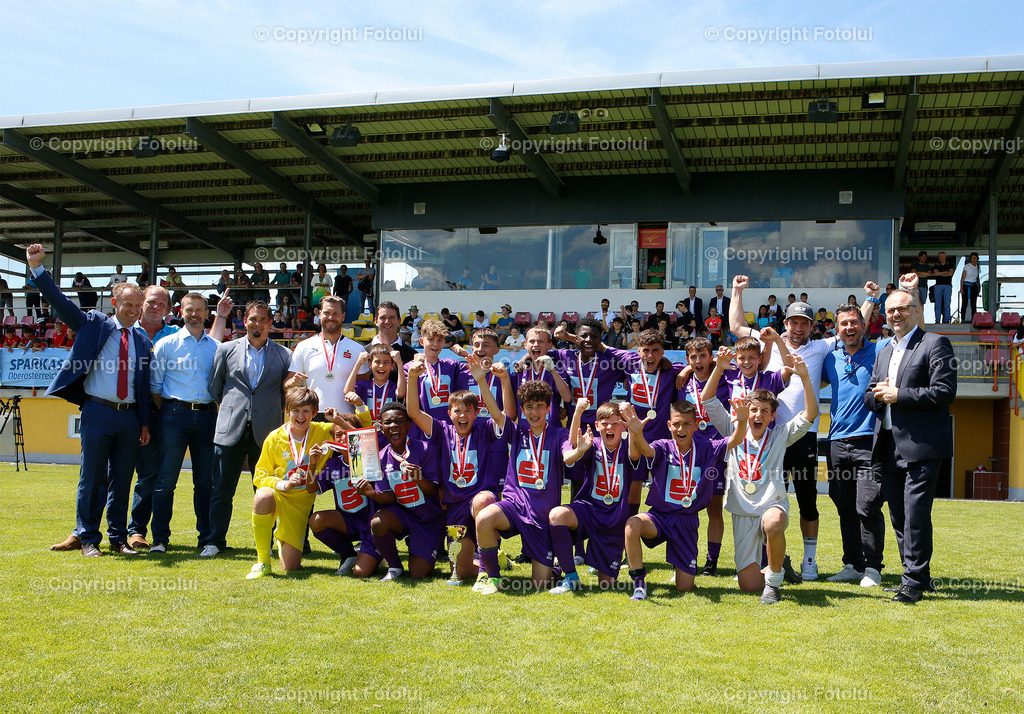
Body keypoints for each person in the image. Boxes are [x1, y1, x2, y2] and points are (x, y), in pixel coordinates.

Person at [730, 276, 873, 581]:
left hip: (803, 435)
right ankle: (760, 561)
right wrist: (737, 291)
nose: (798, 328)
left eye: (804, 323)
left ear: (812, 326)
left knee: (808, 500)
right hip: (766, 437)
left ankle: (810, 561)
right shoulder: (768, 337)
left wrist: (870, 300)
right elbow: (736, 327)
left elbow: (854, 327)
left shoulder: (822, 346)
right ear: (787, 322)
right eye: (794, 322)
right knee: (763, 499)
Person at [27, 243, 151, 557]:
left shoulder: (142, 339)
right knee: (91, 478)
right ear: (115, 302)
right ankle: (88, 539)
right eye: (128, 304)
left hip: (130, 416)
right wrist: (38, 268)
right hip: (97, 410)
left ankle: (118, 539)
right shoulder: (95, 323)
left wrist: (145, 423)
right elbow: (60, 303)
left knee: (122, 480)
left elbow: (144, 384)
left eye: (138, 304)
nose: (134, 309)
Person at [702, 349, 818, 604]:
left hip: (770, 505)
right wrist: (719, 368)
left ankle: (774, 583)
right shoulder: (732, 429)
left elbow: (810, 414)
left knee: (774, 522)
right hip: (742, 511)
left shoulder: (780, 435)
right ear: (745, 410)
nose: (758, 415)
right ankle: (779, 563)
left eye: (765, 411)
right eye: (754, 409)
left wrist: (805, 378)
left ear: (773, 416)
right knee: (749, 585)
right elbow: (707, 399)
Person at [865, 287, 956, 603]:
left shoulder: (935, 344)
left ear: (916, 310)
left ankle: (913, 584)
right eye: (890, 311)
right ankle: (917, 576)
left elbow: (944, 391)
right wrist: (878, 395)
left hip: (922, 445)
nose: (896, 315)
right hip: (887, 445)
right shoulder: (884, 351)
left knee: (916, 513)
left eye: (902, 309)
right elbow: (869, 395)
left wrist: (898, 395)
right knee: (899, 516)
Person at [408, 355, 513, 586]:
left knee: (483, 501)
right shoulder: (441, 430)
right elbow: (414, 412)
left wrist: (482, 381)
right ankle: (496, 560)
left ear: (477, 413)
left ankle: (487, 571)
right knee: (462, 571)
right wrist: (412, 379)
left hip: (480, 498)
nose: (462, 416)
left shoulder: (485, 429)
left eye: (468, 411)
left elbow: (503, 416)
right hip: (455, 506)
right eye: (457, 411)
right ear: (449, 414)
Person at [206, 299, 293, 557]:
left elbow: (283, 394)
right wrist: (235, 408)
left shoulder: (283, 354)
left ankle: (266, 544)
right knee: (222, 489)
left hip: (267, 432)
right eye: (253, 319)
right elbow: (215, 387)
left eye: (263, 319)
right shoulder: (226, 350)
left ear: (270, 323)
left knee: (266, 490)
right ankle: (214, 541)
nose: (257, 324)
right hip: (230, 427)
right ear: (245, 321)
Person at [474, 380, 573, 595]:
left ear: (548, 408)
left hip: (541, 517)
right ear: (522, 409)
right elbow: (495, 412)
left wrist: (578, 450)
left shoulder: (559, 435)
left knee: (540, 585)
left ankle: (554, 571)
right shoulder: (517, 431)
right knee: (484, 518)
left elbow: (568, 455)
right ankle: (492, 578)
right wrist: (482, 380)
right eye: (528, 406)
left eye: (539, 406)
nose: (534, 412)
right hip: (515, 506)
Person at [624, 400, 727, 600]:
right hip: (660, 517)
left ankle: (681, 566)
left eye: (687, 424)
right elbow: (646, 451)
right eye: (677, 424)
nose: (681, 429)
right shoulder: (663, 446)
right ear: (669, 425)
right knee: (632, 525)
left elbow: (734, 440)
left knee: (685, 588)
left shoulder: (706, 447)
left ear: (696, 426)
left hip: (687, 521)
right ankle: (639, 584)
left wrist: (740, 421)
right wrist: (637, 433)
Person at [245, 388, 346, 578]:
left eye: (306, 411)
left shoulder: (323, 431)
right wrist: (285, 485)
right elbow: (259, 475)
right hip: (279, 495)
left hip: (300, 504)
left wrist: (338, 420)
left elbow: (358, 435)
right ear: (287, 411)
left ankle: (281, 537)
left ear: (315, 413)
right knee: (262, 495)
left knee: (290, 567)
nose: (301, 416)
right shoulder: (274, 438)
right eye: (296, 411)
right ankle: (262, 561)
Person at [820, 301, 886, 588]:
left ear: (864, 324)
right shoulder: (830, 359)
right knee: (844, 505)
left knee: (867, 505)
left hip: (869, 440)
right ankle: (852, 564)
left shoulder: (880, 352)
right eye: (844, 323)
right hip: (836, 442)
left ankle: (873, 568)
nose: (849, 327)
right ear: (837, 329)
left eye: (854, 322)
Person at [148, 293, 220, 554]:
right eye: (189, 309)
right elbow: (155, 386)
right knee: (165, 480)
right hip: (173, 415)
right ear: (180, 312)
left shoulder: (216, 347)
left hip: (207, 415)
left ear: (206, 313)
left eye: (199, 310)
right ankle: (159, 539)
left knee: (205, 481)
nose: (194, 314)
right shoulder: (166, 344)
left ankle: (207, 539)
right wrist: (171, 412)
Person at [551, 400, 643, 594]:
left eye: (616, 423)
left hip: (614, 519)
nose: (610, 427)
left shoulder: (628, 446)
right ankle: (570, 576)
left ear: (623, 426)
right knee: (557, 515)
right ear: (597, 425)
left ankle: (599, 561)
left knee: (606, 585)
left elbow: (635, 454)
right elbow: (571, 450)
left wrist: (634, 426)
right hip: (589, 511)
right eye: (605, 423)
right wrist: (577, 413)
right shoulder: (592, 445)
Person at [675, 337, 732, 577]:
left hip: (716, 452)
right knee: (684, 508)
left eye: (702, 356)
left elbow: (747, 366)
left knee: (714, 508)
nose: (698, 361)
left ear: (712, 357)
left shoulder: (726, 376)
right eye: (692, 358)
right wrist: (686, 369)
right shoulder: (682, 380)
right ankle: (685, 560)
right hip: (689, 452)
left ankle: (711, 562)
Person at [369, 402, 444, 581]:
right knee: (378, 522)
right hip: (402, 515)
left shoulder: (425, 449)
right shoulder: (379, 457)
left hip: (427, 519)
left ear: (409, 425)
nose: (393, 426)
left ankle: (420, 544)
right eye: (388, 423)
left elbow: (433, 490)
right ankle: (394, 566)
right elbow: (387, 497)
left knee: (418, 574)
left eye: (399, 421)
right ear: (381, 427)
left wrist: (419, 480)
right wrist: (371, 493)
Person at [308, 413, 382, 577]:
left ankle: (376, 552)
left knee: (361, 573)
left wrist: (339, 421)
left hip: (372, 523)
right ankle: (348, 553)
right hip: (348, 522)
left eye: (346, 433)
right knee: (316, 520)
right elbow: (311, 488)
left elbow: (362, 440)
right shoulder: (333, 464)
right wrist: (312, 464)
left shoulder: (368, 459)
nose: (342, 438)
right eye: (338, 434)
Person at [286, 295, 368, 417]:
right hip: (313, 417)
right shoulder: (304, 346)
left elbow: (364, 387)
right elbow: (287, 384)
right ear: (319, 314)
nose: (331, 317)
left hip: (346, 417)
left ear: (343, 316)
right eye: (327, 313)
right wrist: (292, 382)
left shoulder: (357, 349)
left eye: (336, 313)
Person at [407, 320, 468, 424]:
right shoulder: (410, 367)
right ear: (421, 341)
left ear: (444, 341)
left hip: (449, 426)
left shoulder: (452, 365)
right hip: (423, 427)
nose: (435, 344)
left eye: (440, 340)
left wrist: (465, 354)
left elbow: (480, 368)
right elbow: (401, 393)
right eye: (430, 340)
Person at [344, 344, 406, 439]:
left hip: (387, 433)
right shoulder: (363, 385)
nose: (381, 366)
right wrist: (358, 364)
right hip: (364, 431)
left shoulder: (394, 386)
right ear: (370, 364)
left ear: (392, 366)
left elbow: (401, 393)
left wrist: (399, 363)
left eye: (386, 362)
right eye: (377, 362)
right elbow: (347, 391)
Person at [369, 300, 419, 365]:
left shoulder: (412, 355)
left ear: (399, 321)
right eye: (382, 318)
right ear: (376, 321)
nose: (387, 321)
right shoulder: (365, 352)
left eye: (392, 318)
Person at [930, 251, 954, 323]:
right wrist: (945, 272)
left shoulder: (950, 264)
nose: (940, 258)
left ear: (945, 257)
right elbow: (936, 274)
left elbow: (950, 274)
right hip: (938, 286)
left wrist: (941, 273)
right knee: (937, 304)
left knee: (947, 304)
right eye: (939, 257)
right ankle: (937, 320)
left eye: (941, 256)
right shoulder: (936, 265)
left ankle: (947, 320)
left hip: (948, 286)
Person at [960, 252, 981, 323]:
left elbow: (978, 277)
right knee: (964, 303)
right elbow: (962, 278)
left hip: (974, 285)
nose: (973, 259)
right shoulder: (967, 266)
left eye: (975, 258)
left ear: (977, 259)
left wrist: (979, 286)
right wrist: (961, 288)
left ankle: (974, 319)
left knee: (973, 303)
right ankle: (963, 319)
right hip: (966, 285)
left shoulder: (978, 267)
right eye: (972, 258)